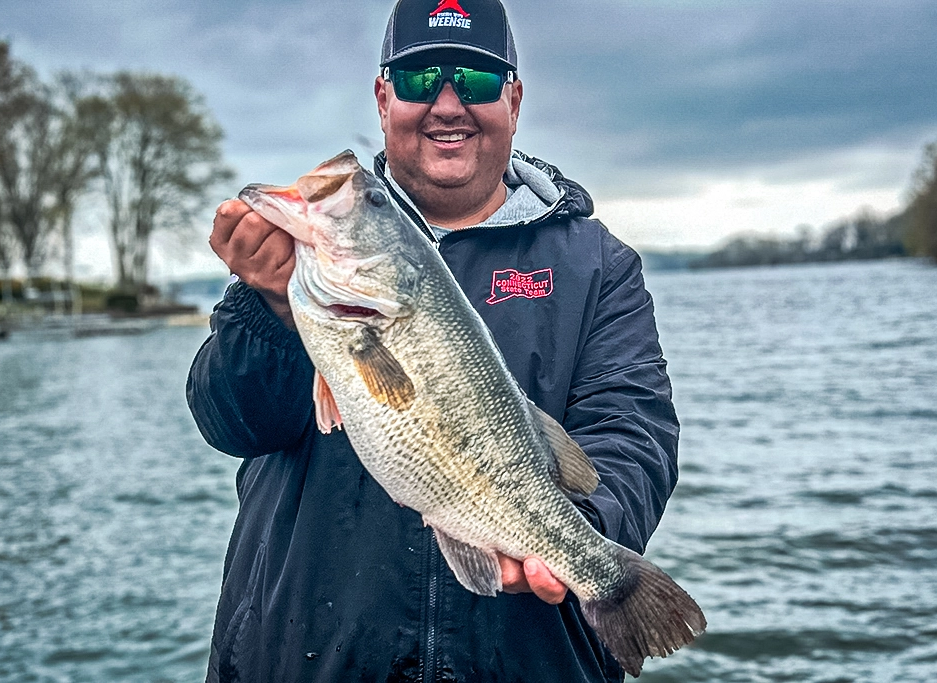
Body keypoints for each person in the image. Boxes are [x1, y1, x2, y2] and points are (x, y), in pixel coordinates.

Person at [187, 1, 680, 680]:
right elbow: (232, 421)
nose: (447, 105)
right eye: (421, 81)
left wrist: (576, 529)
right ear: (383, 97)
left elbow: (634, 430)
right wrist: (269, 306)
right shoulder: (304, 263)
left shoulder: (600, 266)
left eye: (475, 82)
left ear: (514, 98)